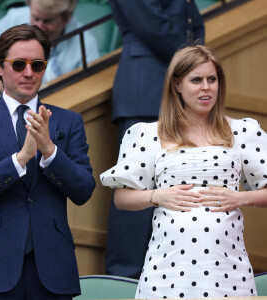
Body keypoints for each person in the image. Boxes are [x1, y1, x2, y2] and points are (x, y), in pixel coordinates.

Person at [100, 45, 267, 298]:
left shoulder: (242, 131)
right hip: (166, 272)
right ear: (177, 85)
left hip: (228, 271)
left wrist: (241, 198)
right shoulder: (147, 134)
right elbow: (121, 199)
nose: (206, 87)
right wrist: (158, 196)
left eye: (212, 79)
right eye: (196, 80)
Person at [0, 24, 95, 299]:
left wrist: (49, 151)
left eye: (37, 65)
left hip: (53, 267)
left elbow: (84, 190)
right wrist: (21, 158)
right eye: (18, 64)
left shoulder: (69, 121)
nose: (29, 73)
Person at [106, 0, 205, 279]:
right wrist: (194, 60)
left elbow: (195, 23)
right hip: (144, 92)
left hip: (179, 97)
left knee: (179, 187)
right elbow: (155, 27)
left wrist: (194, 61)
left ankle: (172, 276)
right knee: (136, 190)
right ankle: (124, 280)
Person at [0, 0, 99, 92]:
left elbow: (91, 89)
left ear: (67, 18)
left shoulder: (85, 42)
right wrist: (3, 85)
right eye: (35, 18)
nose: (39, 26)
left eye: (48, 21)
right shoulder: (12, 20)